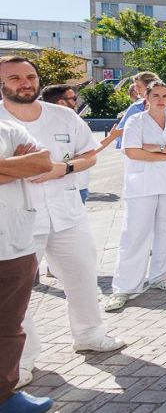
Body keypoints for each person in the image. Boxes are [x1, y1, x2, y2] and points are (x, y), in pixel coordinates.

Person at [0, 56, 126, 388]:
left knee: (83, 274)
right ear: (2, 84)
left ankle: (89, 334)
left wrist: (63, 168)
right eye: (14, 77)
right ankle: (21, 360)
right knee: (19, 295)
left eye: (30, 76)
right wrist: (27, 167)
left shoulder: (63, 115)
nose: (24, 82)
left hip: (67, 211)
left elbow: (90, 153)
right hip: (18, 220)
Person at [104, 81, 166, 312]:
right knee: (135, 234)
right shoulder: (136, 121)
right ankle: (124, 287)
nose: (161, 99)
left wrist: (157, 149)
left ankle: (160, 276)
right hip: (141, 184)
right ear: (147, 98)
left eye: (165, 95)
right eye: (156, 95)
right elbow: (133, 152)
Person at [0, 120, 53, 413]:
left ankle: (4, 396)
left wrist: (26, 164)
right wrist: (16, 164)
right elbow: (28, 166)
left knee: (9, 325)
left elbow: (43, 163)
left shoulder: (8, 127)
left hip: (15, 243)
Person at [106, 72, 166, 148]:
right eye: (135, 86)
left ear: (150, 87)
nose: (136, 90)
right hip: (138, 158)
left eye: (139, 86)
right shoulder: (135, 107)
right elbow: (119, 137)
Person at [40, 84, 90, 203]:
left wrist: (65, 167)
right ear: (62, 102)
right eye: (74, 99)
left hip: (75, 186)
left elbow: (90, 154)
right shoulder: (37, 123)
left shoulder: (74, 121)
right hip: (45, 190)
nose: (76, 103)